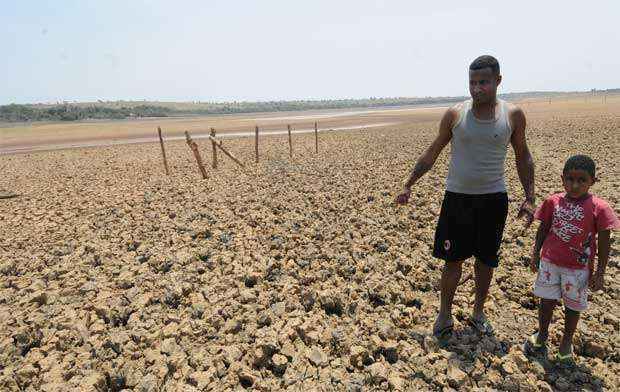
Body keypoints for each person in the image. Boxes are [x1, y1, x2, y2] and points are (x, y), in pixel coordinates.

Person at [395, 55, 536, 338]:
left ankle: (478, 313)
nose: (476, 88)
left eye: (483, 82)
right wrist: (408, 183)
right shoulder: (455, 115)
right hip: (457, 199)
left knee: (486, 261)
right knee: (453, 260)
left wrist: (529, 197)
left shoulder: (513, 115)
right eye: (472, 82)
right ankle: (444, 314)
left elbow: (523, 156)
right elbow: (432, 152)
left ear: (498, 80)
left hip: (494, 199)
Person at [524, 155, 619, 363]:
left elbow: (604, 243)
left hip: (578, 269)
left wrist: (600, 273)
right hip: (550, 263)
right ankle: (542, 334)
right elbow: (543, 229)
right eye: (570, 179)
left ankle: (566, 342)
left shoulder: (599, 208)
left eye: (582, 180)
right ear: (562, 179)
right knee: (546, 301)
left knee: (573, 306)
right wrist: (535, 254)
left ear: (592, 181)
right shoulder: (553, 201)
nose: (575, 185)